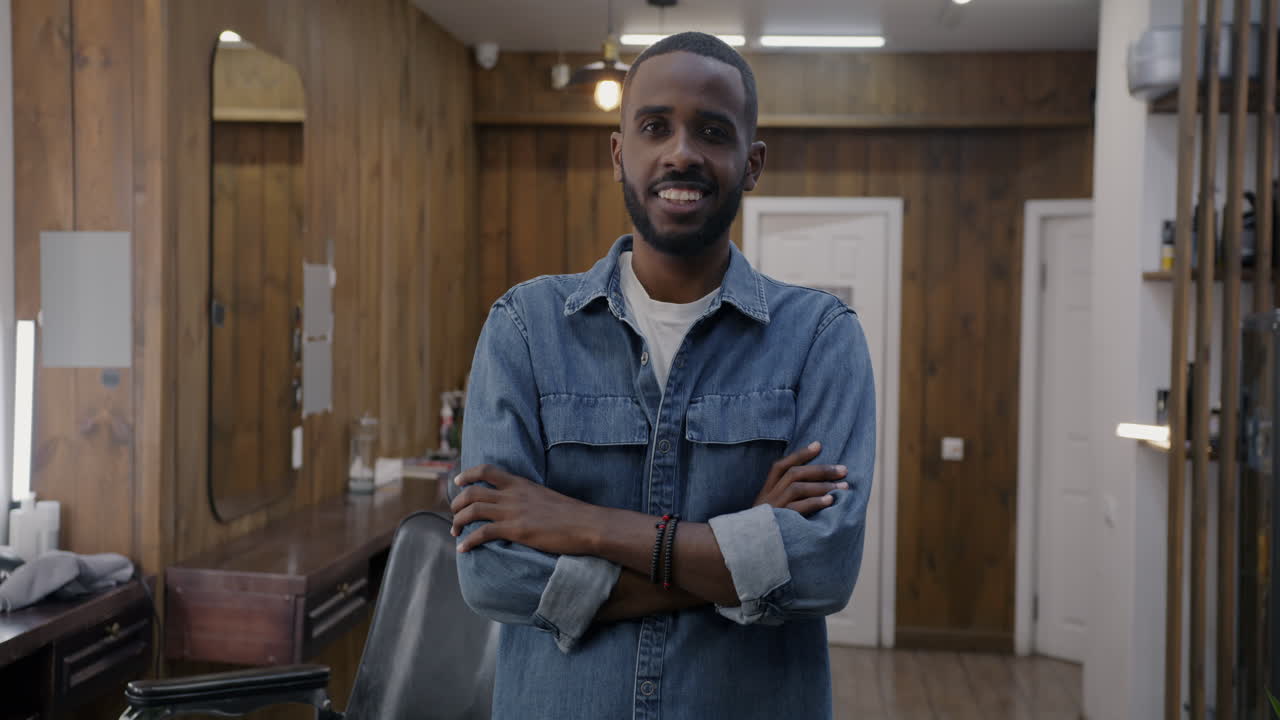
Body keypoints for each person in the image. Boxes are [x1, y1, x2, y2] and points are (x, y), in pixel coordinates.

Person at [449, 31, 875, 720]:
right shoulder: (525, 327)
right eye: (655, 127)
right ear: (620, 153)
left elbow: (822, 569)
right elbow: (492, 575)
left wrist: (585, 524)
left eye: (713, 131)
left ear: (752, 163)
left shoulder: (820, 337)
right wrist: (740, 549)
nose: (682, 152)